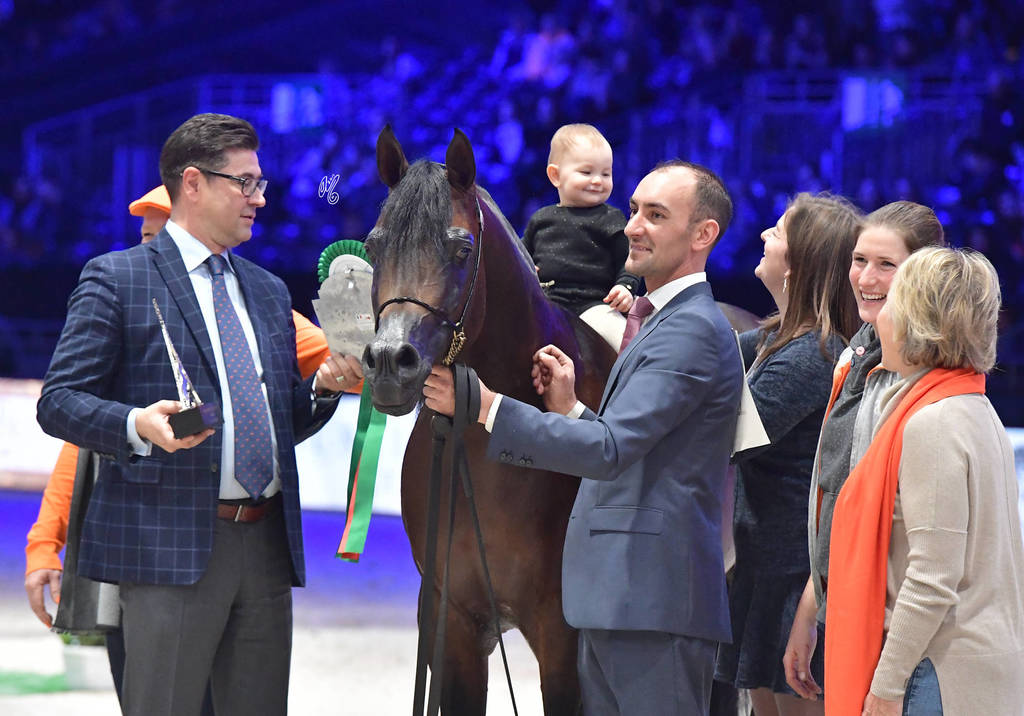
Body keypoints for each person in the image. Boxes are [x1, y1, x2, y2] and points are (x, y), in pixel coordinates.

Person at [36, 113, 348, 716]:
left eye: (260, 183)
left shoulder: (268, 290)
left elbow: (278, 421)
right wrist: (136, 425)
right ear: (194, 183)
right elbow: (59, 400)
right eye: (245, 182)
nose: (259, 197)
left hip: (266, 547)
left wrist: (323, 389)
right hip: (166, 546)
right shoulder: (119, 277)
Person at [425, 160, 744, 714]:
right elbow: (630, 446)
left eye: (656, 215)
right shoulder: (661, 321)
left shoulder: (691, 329)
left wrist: (485, 406)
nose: (632, 226)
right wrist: (571, 408)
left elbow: (610, 450)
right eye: (635, 210)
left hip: (653, 608)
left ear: (703, 234)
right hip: (619, 603)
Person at [828, 247, 1024, 715]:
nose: (880, 315)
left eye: (893, 300)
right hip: (970, 669)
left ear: (917, 321)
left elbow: (933, 579)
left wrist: (887, 685)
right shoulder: (974, 407)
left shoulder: (933, 423)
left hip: (936, 674)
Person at [782, 202, 945, 702]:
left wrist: (891, 675)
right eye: (859, 260)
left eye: (886, 264)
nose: (866, 278)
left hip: (906, 639)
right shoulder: (859, 356)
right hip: (849, 610)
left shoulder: (928, 382)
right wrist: (813, 607)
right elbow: (838, 494)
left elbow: (930, 560)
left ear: (922, 273)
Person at [715, 194, 861, 716]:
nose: (762, 236)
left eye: (776, 231)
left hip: (793, 578)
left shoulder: (812, 355)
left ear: (798, 262)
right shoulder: (777, 338)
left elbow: (723, 443)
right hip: (765, 566)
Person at [521, 123, 640, 346]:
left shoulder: (612, 218)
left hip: (596, 306)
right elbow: (519, 254)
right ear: (555, 175)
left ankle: (642, 368)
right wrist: (525, 268)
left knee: (626, 342)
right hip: (544, 305)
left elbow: (630, 261)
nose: (597, 180)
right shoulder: (540, 219)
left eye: (606, 173)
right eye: (586, 172)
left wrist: (625, 287)